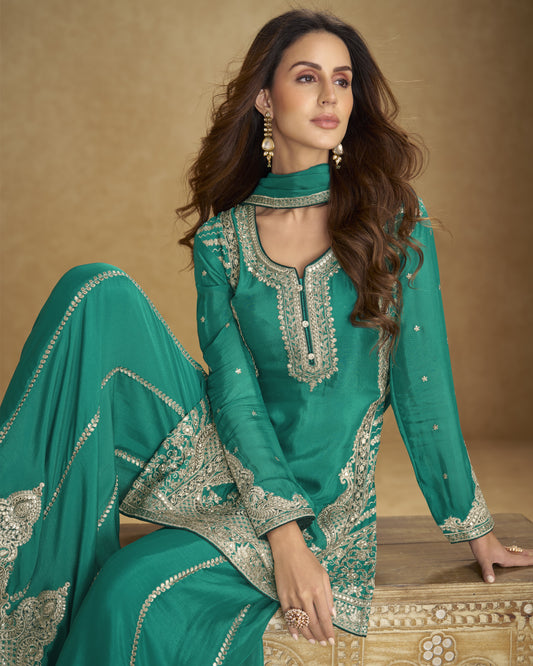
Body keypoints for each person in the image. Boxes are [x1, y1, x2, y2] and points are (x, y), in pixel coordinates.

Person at [1, 9, 531, 666]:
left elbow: (424, 393)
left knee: (127, 592)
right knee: (95, 291)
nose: (330, 95)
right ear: (264, 99)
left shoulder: (391, 222)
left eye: (342, 80)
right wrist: (280, 537)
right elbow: (234, 394)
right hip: (231, 471)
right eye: (307, 77)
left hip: (326, 510)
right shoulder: (223, 240)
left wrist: (474, 530)